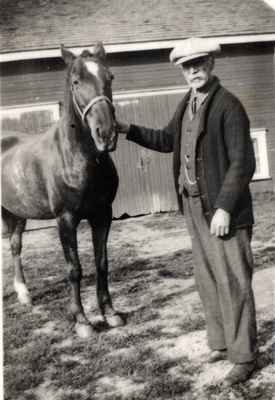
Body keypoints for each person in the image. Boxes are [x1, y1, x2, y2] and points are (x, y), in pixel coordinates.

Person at [116, 37, 257, 386]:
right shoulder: (189, 103)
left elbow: (243, 162)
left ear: (211, 63)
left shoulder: (228, 105)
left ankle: (244, 357)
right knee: (208, 278)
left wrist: (224, 207)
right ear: (182, 71)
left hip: (222, 210)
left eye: (199, 63)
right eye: (186, 66)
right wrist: (127, 129)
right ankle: (222, 343)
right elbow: (167, 141)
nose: (193, 70)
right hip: (194, 205)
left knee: (234, 280)